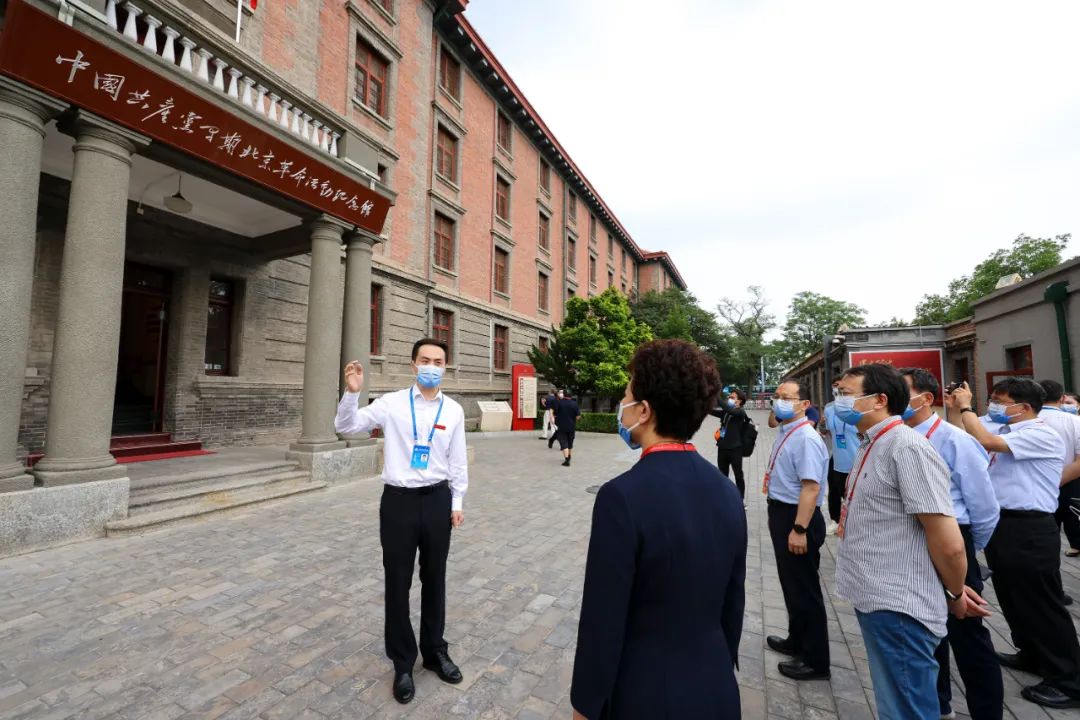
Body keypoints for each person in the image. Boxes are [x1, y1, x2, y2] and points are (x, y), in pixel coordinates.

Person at [570, 339, 746, 719]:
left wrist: (585, 705)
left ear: (644, 411)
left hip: (647, 691)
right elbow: (733, 601)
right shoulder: (727, 490)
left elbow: (603, 619)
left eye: (626, 397)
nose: (622, 405)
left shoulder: (621, 497)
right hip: (716, 684)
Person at [833, 363, 980, 720]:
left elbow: (949, 541)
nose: (838, 402)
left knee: (906, 709)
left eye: (846, 395)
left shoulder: (906, 447)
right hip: (879, 597)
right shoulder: (873, 442)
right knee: (897, 702)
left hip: (899, 605)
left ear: (879, 400)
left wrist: (954, 593)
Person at [334, 338, 467, 705]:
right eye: (425, 360)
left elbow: (457, 461)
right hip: (398, 502)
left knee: (435, 578)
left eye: (438, 361)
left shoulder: (453, 410)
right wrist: (352, 393)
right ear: (413, 365)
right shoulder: (391, 403)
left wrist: (457, 501)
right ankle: (403, 663)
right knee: (397, 582)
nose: (431, 366)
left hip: (437, 499)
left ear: (445, 367)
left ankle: (435, 651)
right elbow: (348, 425)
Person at [950, 378, 1080, 709]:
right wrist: (956, 408)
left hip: (1029, 528)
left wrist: (966, 407)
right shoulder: (1008, 428)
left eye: (999, 401)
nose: (993, 405)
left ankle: (1069, 680)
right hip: (1003, 524)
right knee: (1013, 597)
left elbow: (985, 440)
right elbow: (964, 433)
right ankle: (1032, 653)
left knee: (1042, 603)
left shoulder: (1040, 433)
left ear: (1023, 407)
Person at [898, 368, 1002, 720]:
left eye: (901, 392)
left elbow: (984, 507)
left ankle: (986, 712)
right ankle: (939, 704)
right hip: (915, 542)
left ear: (926, 399)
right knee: (926, 630)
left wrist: (966, 551)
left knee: (967, 634)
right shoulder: (897, 438)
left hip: (953, 540)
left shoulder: (955, 441)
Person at [763, 379, 831, 680]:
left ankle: (816, 661)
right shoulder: (787, 430)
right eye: (777, 396)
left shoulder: (805, 438)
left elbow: (811, 488)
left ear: (804, 404)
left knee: (805, 589)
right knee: (792, 584)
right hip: (782, 512)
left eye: (787, 397)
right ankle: (797, 639)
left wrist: (799, 529)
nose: (779, 401)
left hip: (797, 517)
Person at [1037, 380, 1080, 558]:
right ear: (1061, 398)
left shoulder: (1028, 421)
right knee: (1075, 523)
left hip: (1037, 486)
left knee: (1044, 535)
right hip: (1071, 480)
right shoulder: (1075, 421)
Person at [821, 379, 859, 534]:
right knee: (834, 492)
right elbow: (827, 431)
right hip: (837, 458)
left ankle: (854, 524)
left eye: (842, 387)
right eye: (835, 386)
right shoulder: (829, 408)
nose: (837, 390)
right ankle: (835, 521)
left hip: (856, 460)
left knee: (853, 496)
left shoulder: (859, 407)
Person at [709, 388, 751, 501]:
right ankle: (724, 498)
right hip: (722, 447)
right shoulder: (726, 412)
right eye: (729, 397)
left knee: (738, 475)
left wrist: (717, 396)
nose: (729, 399)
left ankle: (741, 499)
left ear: (739, 401)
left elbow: (729, 410)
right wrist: (704, 405)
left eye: (732, 397)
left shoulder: (740, 412)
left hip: (735, 449)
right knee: (722, 475)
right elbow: (713, 411)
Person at [553, 389, 581, 467]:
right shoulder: (574, 404)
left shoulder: (559, 403)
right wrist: (573, 420)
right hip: (571, 426)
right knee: (570, 442)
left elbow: (555, 414)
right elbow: (578, 417)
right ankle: (569, 456)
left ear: (564, 395)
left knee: (563, 442)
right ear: (571, 395)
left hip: (561, 426)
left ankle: (567, 460)